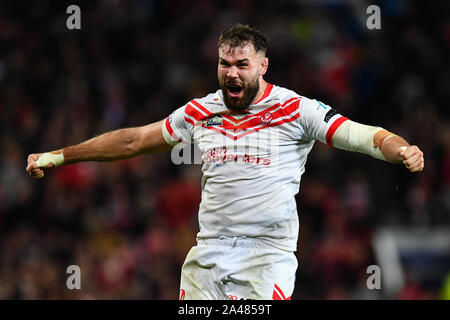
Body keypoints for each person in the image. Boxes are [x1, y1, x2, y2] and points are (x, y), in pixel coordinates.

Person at [26, 24, 424, 300]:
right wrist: (61, 155)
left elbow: (363, 136)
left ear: (262, 66)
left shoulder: (295, 109)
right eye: (224, 64)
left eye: (242, 65)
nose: (231, 73)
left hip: (267, 255)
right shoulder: (201, 111)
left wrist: (400, 147)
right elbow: (133, 140)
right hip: (209, 254)